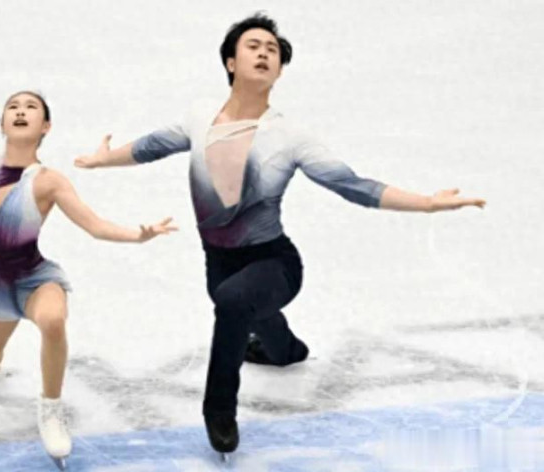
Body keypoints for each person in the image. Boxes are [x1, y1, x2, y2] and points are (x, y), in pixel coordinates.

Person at [74, 13, 486, 456]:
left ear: (280, 71)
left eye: (272, 50)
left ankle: (219, 411)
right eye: (253, 46)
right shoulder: (200, 117)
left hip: (275, 263)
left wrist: (427, 202)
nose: (264, 53)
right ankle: (285, 350)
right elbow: (153, 145)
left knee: (235, 302)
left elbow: (353, 186)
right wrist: (103, 160)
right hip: (219, 262)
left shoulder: (289, 136)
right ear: (231, 62)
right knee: (241, 305)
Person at [0, 91, 177, 463]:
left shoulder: (49, 181)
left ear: (46, 126)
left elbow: (95, 225)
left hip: (35, 279)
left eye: (31, 108)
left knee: (52, 320)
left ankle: (51, 407)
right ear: (2, 123)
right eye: (13, 107)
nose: (21, 111)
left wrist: (138, 235)